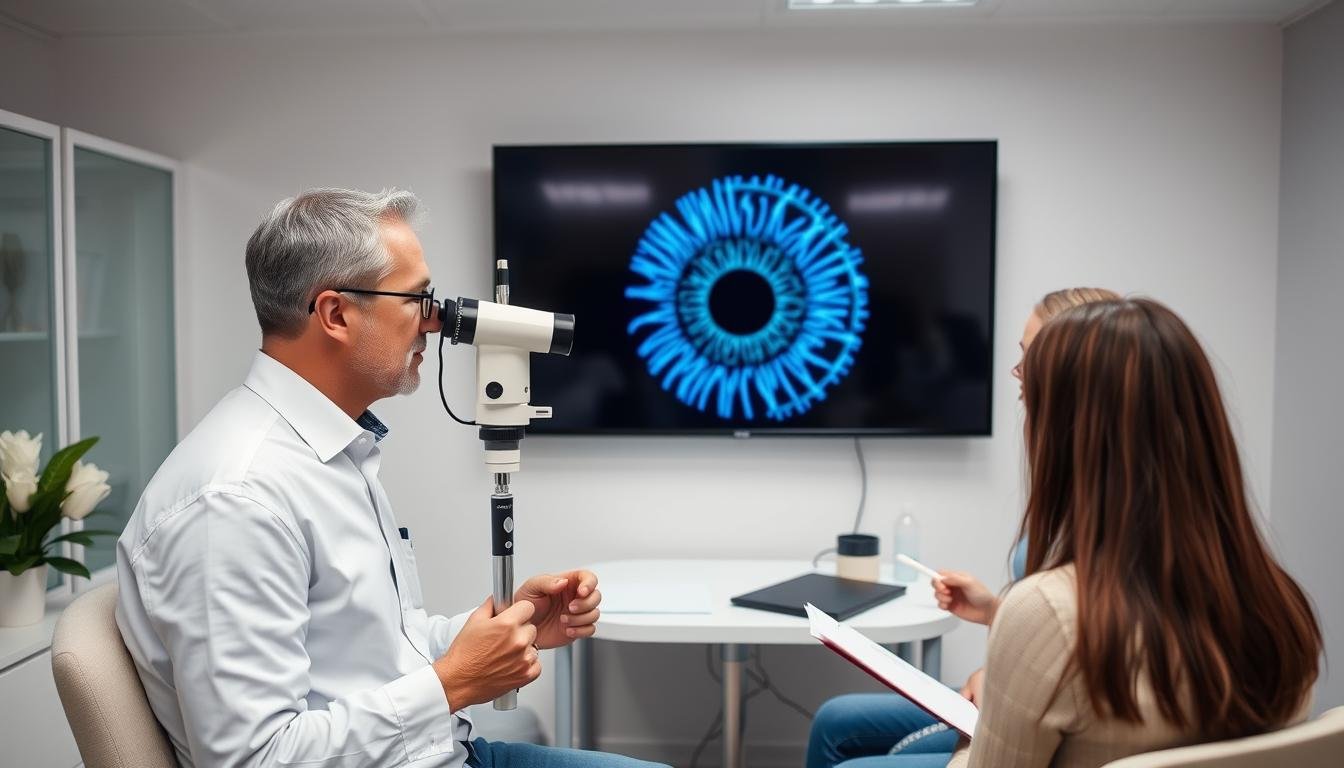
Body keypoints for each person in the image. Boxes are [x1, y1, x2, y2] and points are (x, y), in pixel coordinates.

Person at [115, 189, 669, 768]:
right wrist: (454, 683)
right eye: (417, 299)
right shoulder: (236, 501)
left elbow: (373, 656)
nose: (436, 321)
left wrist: (499, 630)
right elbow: (254, 759)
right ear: (335, 314)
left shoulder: (332, 450)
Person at [807, 288, 1119, 768]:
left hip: (1041, 722)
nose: (1017, 376)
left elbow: (1078, 643)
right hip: (1024, 688)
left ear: (1072, 375)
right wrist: (999, 616)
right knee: (835, 719)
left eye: (1029, 359)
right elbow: (1072, 629)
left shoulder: (1115, 519)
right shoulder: (1078, 489)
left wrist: (995, 690)